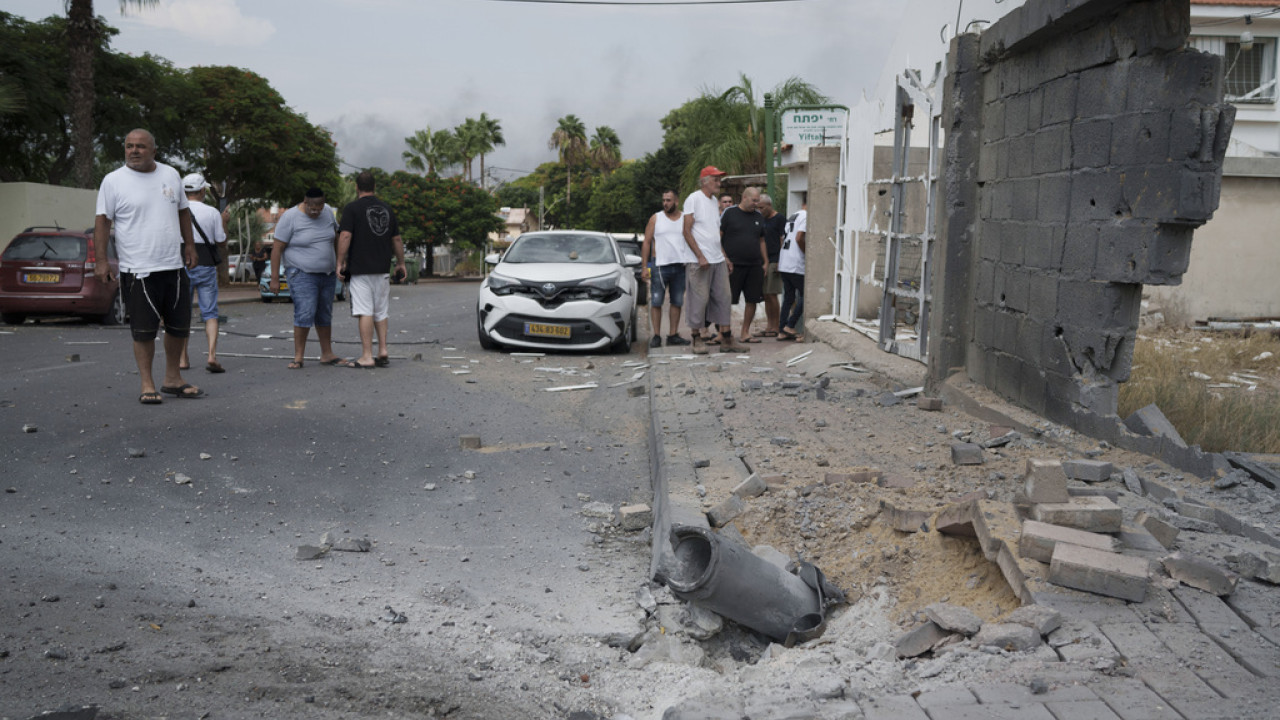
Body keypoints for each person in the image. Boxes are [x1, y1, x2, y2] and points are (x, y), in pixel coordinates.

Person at [93, 128, 201, 404]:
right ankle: (147, 383)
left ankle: (173, 379)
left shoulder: (170, 174)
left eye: (140, 146)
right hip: (138, 270)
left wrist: (189, 245)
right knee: (144, 331)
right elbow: (103, 222)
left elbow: (183, 211)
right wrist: (102, 260)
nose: (134, 151)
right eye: (129, 146)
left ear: (153, 150)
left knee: (179, 327)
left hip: (173, 267)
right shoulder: (113, 181)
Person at [337, 171, 406, 369]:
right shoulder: (386, 209)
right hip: (382, 269)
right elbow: (397, 239)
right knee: (380, 311)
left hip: (360, 270)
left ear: (357, 187)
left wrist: (339, 262)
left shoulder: (352, 209)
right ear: (374, 187)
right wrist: (400, 263)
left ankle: (367, 355)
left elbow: (345, 236)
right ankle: (383, 349)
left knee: (364, 311)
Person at [270, 188, 344, 369]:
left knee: (324, 313)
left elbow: (335, 237)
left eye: (319, 207)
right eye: (313, 207)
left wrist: (340, 261)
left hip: (326, 274)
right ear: (305, 202)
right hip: (301, 272)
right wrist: (274, 278)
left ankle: (327, 353)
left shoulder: (327, 212)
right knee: (305, 312)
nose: (316, 211)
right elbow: (277, 248)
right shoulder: (290, 217)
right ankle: (298, 356)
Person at [682, 166, 745, 355]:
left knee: (724, 298)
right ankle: (696, 338)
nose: (719, 183)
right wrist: (700, 256)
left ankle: (726, 339)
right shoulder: (693, 199)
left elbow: (714, 234)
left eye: (719, 180)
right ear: (705, 181)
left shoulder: (714, 201)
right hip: (698, 260)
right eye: (716, 180)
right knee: (699, 300)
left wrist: (724, 256)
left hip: (717, 259)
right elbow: (686, 231)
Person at [177, 173, 228, 374]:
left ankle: (182, 358)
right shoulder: (212, 212)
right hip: (206, 263)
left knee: (182, 313)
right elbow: (221, 241)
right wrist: (224, 221)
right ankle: (211, 355)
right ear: (202, 191)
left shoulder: (176, 211)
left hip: (182, 263)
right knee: (210, 312)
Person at [640, 189, 694, 349]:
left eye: (669, 200)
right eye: (664, 200)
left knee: (677, 301)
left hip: (680, 265)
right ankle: (656, 335)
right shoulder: (656, 218)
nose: (665, 203)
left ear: (676, 201)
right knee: (656, 301)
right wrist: (645, 266)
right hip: (660, 265)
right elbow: (647, 242)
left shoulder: (685, 218)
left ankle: (673, 335)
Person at [720, 187, 768, 343]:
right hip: (733, 265)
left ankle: (745, 332)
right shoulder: (729, 213)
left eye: (757, 200)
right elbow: (718, 237)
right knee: (727, 300)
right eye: (754, 200)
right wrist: (725, 258)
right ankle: (724, 333)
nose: (756, 203)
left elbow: (761, 240)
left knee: (752, 299)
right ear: (744, 197)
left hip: (754, 265)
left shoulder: (758, 216)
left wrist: (765, 261)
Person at [778, 201, 808, 342]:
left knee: (789, 297)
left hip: (785, 261)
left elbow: (783, 238)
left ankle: (781, 330)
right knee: (806, 295)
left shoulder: (793, 215)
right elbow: (799, 237)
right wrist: (807, 254)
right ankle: (790, 325)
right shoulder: (807, 215)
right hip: (797, 263)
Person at [759, 193, 785, 337]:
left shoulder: (779, 218)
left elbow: (783, 239)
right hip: (763, 260)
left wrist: (782, 260)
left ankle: (776, 325)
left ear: (769, 205)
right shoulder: (761, 220)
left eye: (762, 207)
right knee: (766, 295)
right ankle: (769, 325)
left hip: (775, 259)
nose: (760, 210)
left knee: (772, 294)